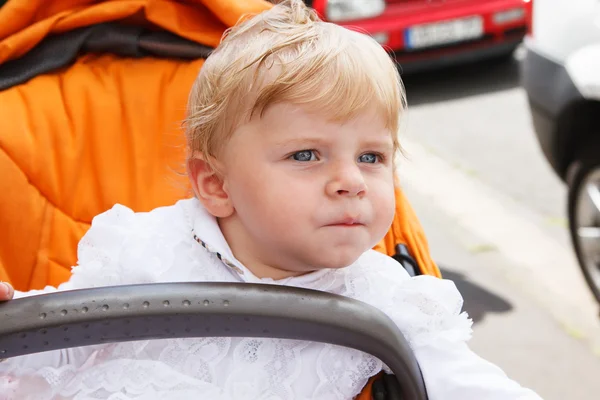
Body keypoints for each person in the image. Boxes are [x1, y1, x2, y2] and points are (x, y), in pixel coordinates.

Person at [0, 1, 544, 399]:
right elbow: (55, 349)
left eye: (372, 157)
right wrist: (15, 312)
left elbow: (467, 384)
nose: (350, 180)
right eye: (307, 156)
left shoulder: (386, 297)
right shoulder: (147, 251)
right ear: (215, 185)